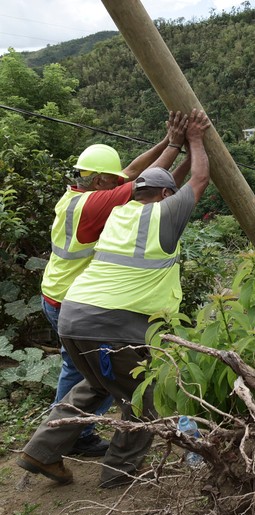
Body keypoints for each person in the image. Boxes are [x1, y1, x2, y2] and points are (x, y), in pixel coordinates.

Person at [18, 109, 211, 488]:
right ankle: (119, 473)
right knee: (144, 397)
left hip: (73, 315)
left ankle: (40, 451)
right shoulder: (162, 217)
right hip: (109, 324)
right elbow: (199, 178)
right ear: (166, 196)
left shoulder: (118, 212)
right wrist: (199, 141)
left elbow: (143, 179)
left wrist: (177, 144)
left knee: (95, 386)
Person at [41, 112, 188, 457]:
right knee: (95, 374)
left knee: (84, 371)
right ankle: (72, 435)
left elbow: (133, 171)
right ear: (97, 181)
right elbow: (140, 184)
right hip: (72, 299)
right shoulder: (91, 206)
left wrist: (168, 141)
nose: (117, 182)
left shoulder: (78, 194)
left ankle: (65, 433)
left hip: (60, 293)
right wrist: (181, 146)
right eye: (111, 179)